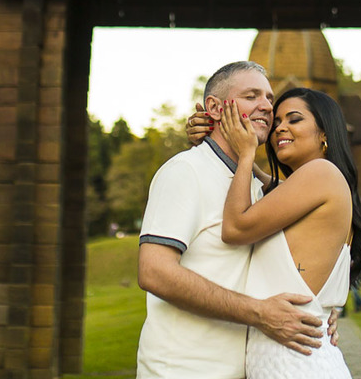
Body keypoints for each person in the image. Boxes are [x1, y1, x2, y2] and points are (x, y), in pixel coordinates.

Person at [136, 61, 326, 379]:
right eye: (251, 96)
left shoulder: (252, 185)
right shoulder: (186, 170)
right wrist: (259, 312)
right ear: (213, 106)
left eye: (269, 98)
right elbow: (154, 272)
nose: (266, 106)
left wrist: (326, 311)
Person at [219, 87, 361, 378]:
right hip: (296, 359)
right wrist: (217, 139)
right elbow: (266, 185)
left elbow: (235, 227)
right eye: (277, 121)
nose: (280, 128)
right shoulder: (313, 182)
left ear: (324, 133)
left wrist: (244, 154)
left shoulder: (320, 173)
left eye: (294, 119)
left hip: (298, 364)